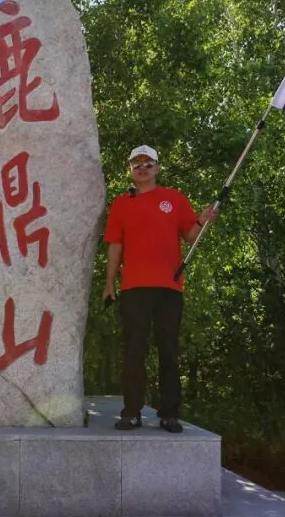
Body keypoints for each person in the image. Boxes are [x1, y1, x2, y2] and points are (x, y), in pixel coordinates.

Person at [100, 145, 218, 434]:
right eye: (136, 163)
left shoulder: (173, 198)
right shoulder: (121, 204)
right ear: (130, 169)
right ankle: (132, 412)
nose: (142, 168)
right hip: (133, 288)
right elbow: (115, 246)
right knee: (133, 351)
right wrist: (108, 283)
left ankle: (169, 414)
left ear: (158, 168)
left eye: (148, 163)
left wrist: (203, 220)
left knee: (168, 351)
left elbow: (191, 236)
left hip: (169, 287)